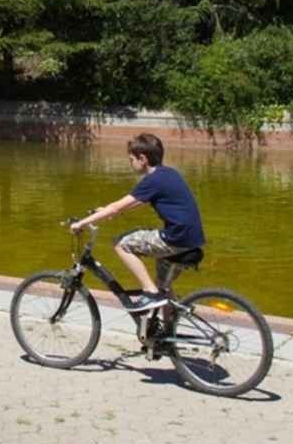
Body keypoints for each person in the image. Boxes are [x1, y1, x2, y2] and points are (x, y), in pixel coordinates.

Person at [69, 133, 204, 312]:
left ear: (143, 159)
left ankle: (149, 292)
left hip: (175, 239)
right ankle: (166, 334)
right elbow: (133, 202)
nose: (130, 163)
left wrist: (82, 224)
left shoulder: (153, 180)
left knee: (120, 243)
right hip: (190, 240)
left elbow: (118, 207)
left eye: (131, 159)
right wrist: (107, 210)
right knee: (164, 289)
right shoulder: (169, 174)